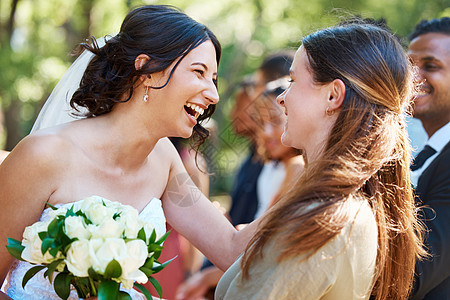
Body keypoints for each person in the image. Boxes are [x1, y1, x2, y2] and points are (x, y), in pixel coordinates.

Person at [0, 5, 259, 300]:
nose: (213, 94)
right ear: (146, 70)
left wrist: (314, 171)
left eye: (213, 78)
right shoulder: (43, 155)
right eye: (199, 72)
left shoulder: (164, 160)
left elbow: (230, 250)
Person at [215, 21, 426, 300]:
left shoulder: (320, 218)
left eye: (292, 82)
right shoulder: (352, 203)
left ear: (333, 95)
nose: (281, 98)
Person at [407, 17, 450, 300]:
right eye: (408, 66)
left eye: (430, 66)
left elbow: (414, 273)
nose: (413, 77)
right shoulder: (424, 156)